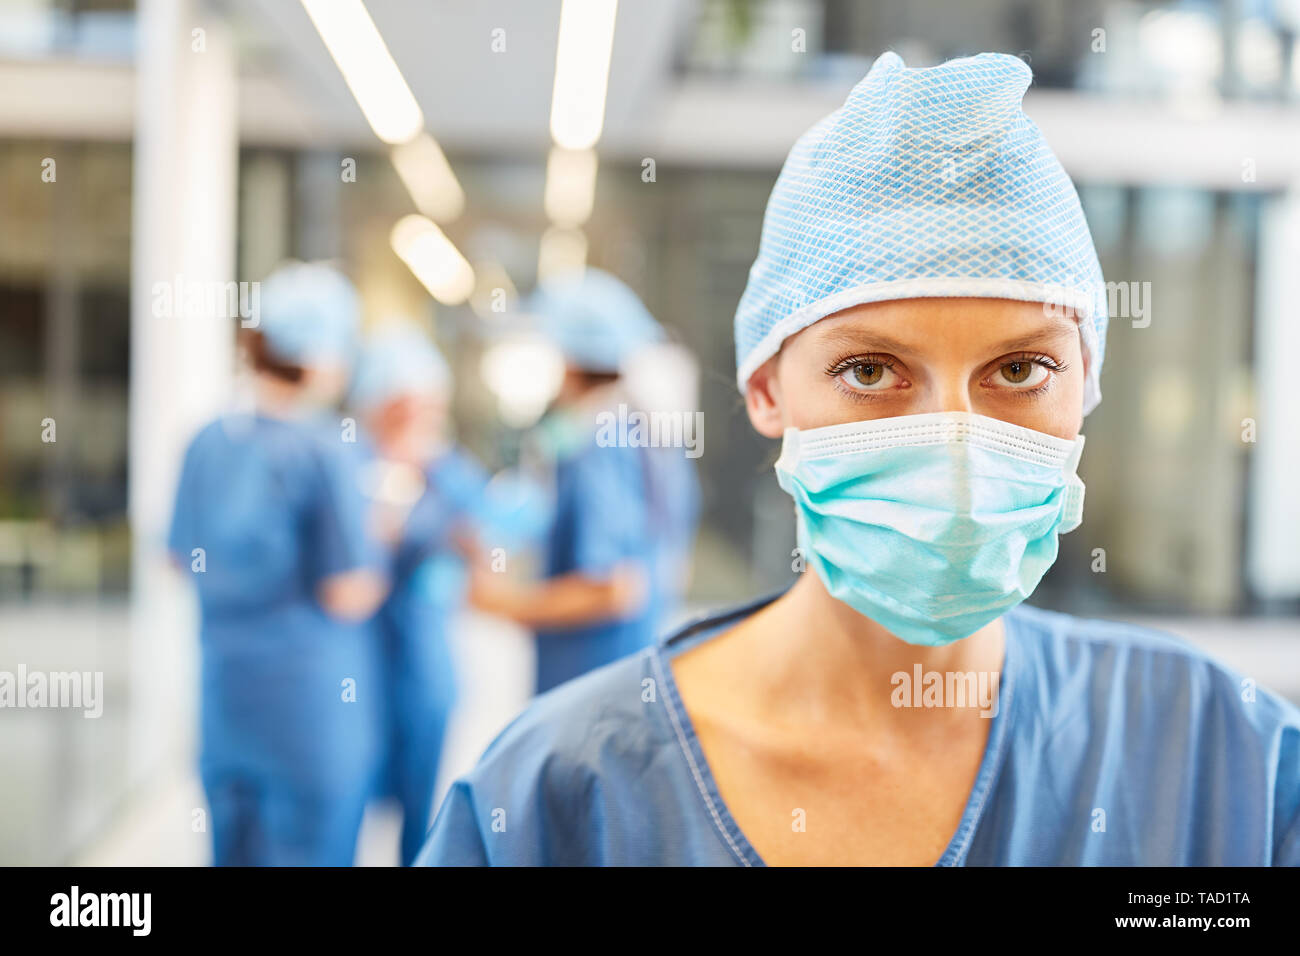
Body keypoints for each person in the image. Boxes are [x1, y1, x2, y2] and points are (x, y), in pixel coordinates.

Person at [415, 52, 1300, 866]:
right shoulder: (557, 796)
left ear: (1089, 382)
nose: (955, 441)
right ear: (766, 390)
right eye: (870, 369)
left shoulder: (1225, 763)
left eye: (1021, 369)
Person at [168, 261, 388, 866]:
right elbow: (349, 591)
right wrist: (383, 539)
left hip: (228, 700)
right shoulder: (328, 449)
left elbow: (177, 559)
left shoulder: (208, 440)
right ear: (320, 355)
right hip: (307, 710)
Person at [468, 269, 700, 694]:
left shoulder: (601, 444)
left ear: (567, 361)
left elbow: (613, 588)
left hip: (590, 676)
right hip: (627, 667)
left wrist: (503, 603)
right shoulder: (648, 434)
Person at [349, 320, 492, 866]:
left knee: (425, 817)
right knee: (345, 806)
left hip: (426, 668)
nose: (416, 418)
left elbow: (489, 545)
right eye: (402, 405)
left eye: (426, 406)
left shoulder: (450, 473)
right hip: (355, 670)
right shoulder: (348, 465)